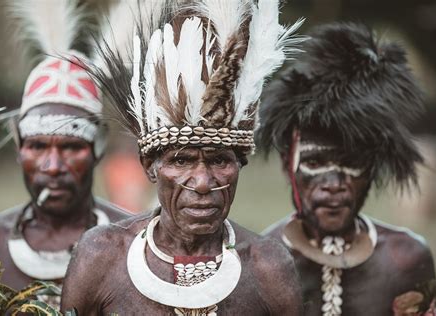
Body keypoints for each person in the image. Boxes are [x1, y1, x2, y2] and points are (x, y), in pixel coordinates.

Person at [61, 0, 306, 314]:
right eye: (181, 160)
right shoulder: (100, 257)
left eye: (219, 160)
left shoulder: (269, 267)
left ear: (239, 164)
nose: (203, 183)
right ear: (151, 167)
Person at [257, 22, 436, 316]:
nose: (333, 183)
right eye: (315, 163)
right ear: (287, 165)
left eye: (352, 164)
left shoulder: (405, 259)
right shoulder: (261, 264)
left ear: (372, 170)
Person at [0, 0, 129, 308]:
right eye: (37, 146)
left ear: (97, 147)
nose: (52, 166)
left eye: (71, 147)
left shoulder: (134, 243)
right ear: (19, 147)